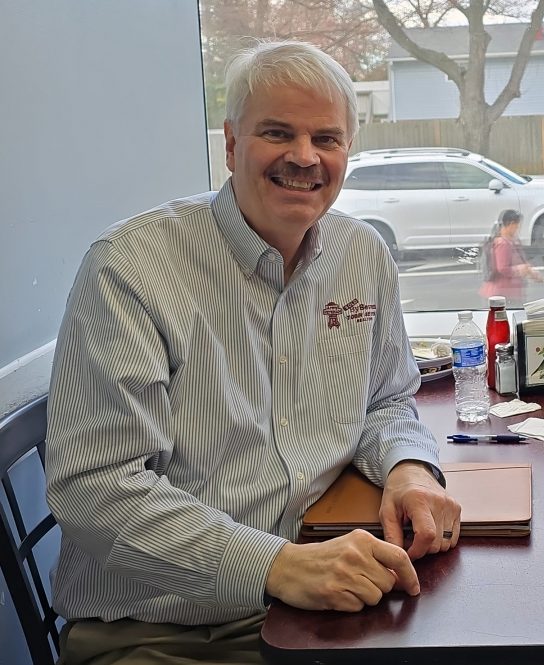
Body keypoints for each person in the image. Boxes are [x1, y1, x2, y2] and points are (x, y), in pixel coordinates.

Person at [45, 40, 461, 664]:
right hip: (167, 634)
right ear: (232, 144)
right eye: (278, 133)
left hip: (320, 611)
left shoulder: (363, 255)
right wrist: (277, 566)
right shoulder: (129, 270)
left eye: (327, 138)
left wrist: (408, 467)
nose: (304, 157)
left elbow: (384, 399)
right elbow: (97, 489)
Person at [479, 208, 542, 304]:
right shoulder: (502, 243)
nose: (518, 229)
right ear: (511, 224)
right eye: (517, 226)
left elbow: (519, 261)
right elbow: (503, 268)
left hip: (507, 293)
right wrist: (522, 269)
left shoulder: (511, 241)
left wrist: (530, 270)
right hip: (502, 294)